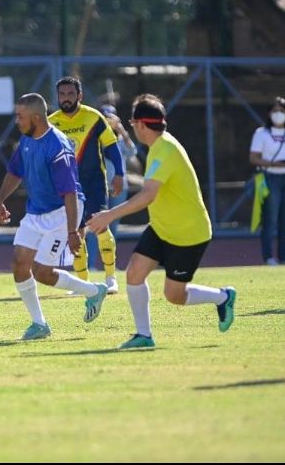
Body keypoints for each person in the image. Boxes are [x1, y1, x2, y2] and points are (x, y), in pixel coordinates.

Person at [87, 94, 236, 349]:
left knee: (174, 295)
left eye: (133, 123)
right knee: (134, 273)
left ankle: (223, 297)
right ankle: (143, 335)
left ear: (142, 125)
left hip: (188, 233)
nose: (132, 127)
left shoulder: (165, 149)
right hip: (161, 228)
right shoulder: (157, 147)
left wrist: (109, 215)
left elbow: (147, 195)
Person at [0, 93, 108, 341]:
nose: (17, 121)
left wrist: (72, 231)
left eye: (20, 117)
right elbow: (15, 171)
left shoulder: (58, 146)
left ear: (36, 117)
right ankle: (39, 324)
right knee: (18, 263)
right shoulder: (25, 141)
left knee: (43, 272)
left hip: (61, 211)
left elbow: (69, 193)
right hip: (36, 210)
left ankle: (94, 290)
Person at [48, 77, 124, 294]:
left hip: (94, 183)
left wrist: (119, 173)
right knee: (75, 233)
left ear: (79, 96)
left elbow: (111, 146)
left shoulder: (93, 117)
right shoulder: (51, 122)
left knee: (101, 226)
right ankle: (82, 284)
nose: (66, 98)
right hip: (69, 188)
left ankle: (111, 278)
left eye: (71, 94)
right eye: (62, 94)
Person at [85, 104, 141, 268]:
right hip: (100, 189)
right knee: (96, 228)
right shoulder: (95, 138)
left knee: (113, 229)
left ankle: (109, 264)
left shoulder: (120, 139)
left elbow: (133, 151)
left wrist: (121, 129)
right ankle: (91, 264)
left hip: (119, 189)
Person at [249, 96, 285, 266]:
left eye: (282, 111)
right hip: (270, 177)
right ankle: (269, 257)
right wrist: (273, 163)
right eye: (275, 111)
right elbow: (253, 158)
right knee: (271, 219)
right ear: (269, 113)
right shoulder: (261, 133)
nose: (278, 114)